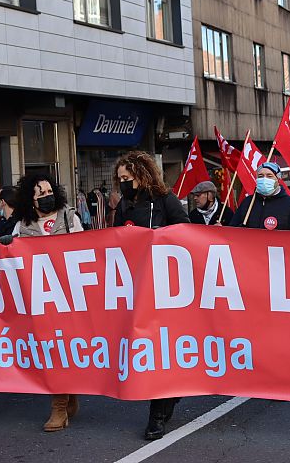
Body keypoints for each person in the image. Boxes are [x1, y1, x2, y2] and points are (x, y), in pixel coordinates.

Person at [111, 151, 190, 441]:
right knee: (148, 348)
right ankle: (170, 395)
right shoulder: (124, 205)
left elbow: (187, 232)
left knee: (160, 348)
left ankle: (156, 415)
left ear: (141, 175)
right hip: (137, 286)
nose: (123, 183)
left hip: (165, 287)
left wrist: (162, 235)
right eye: (120, 179)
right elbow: (115, 240)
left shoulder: (165, 200)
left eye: (127, 178)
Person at [0, 173, 84, 432]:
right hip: (39, 298)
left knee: (62, 348)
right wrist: (8, 245)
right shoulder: (22, 226)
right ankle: (67, 396)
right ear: (30, 199)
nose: (47, 196)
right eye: (41, 194)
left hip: (68, 296)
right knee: (50, 350)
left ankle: (59, 405)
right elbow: (12, 258)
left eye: (49, 191)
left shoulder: (69, 218)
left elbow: (85, 250)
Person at [229, 162, 290, 230]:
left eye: (269, 176)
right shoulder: (247, 202)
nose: (264, 179)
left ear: (278, 180)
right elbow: (232, 230)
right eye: (260, 176)